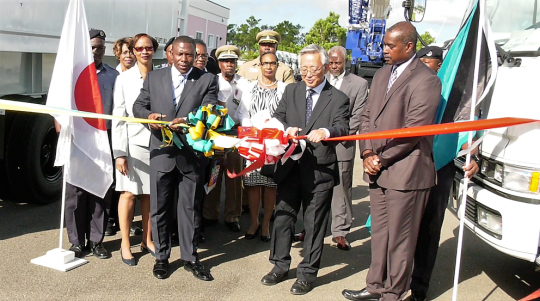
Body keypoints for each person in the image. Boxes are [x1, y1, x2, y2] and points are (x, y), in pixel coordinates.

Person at [341, 22, 441, 301]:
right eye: (384, 44)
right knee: (381, 236)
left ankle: (393, 294)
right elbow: (366, 117)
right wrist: (367, 153)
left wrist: (381, 158)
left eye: (390, 45)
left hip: (407, 173)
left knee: (401, 241)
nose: (383, 50)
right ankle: (375, 286)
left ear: (409, 47)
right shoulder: (383, 73)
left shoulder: (426, 79)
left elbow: (414, 131)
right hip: (377, 168)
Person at [261, 44, 349, 295]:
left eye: (313, 68)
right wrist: (284, 127)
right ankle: (279, 265)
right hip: (290, 165)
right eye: (304, 68)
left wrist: (326, 132)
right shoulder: (292, 90)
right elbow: (279, 115)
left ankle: (307, 274)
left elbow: (343, 128)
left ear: (324, 67)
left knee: (313, 224)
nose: (308, 74)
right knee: (282, 217)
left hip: (319, 170)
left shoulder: (339, 98)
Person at [133, 35, 218, 281]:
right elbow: (138, 106)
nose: (184, 59)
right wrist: (150, 116)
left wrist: (190, 121)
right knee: (160, 207)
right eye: (179, 54)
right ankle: (161, 257)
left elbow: (210, 111)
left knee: (190, 208)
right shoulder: (154, 77)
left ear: (195, 55)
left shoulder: (206, 80)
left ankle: (191, 257)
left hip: (191, 154)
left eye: (189, 55)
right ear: (170, 53)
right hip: (162, 151)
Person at [410, 45, 479, 301]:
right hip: (407, 165)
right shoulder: (409, 86)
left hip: (440, 167)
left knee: (429, 229)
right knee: (402, 227)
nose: (430, 72)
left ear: (442, 67)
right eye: (423, 65)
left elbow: (467, 130)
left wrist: (473, 153)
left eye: (435, 67)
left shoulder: (455, 94)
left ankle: (419, 286)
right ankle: (393, 280)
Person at [63, 29, 118, 259]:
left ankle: (96, 241)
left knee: (100, 190)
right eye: (93, 47)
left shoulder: (113, 76)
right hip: (78, 138)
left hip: (102, 140)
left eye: (101, 48)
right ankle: (76, 242)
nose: (97, 52)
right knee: (75, 193)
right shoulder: (72, 74)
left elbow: (117, 110)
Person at [112, 33, 158, 266]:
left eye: (148, 47)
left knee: (150, 194)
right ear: (134, 51)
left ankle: (146, 239)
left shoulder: (162, 76)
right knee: (128, 193)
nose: (144, 52)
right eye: (139, 48)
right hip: (132, 144)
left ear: (154, 50)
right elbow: (118, 117)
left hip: (159, 143)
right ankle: (125, 243)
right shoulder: (124, 79)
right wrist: (119, 153)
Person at [236, 52, 287, 242]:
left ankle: (266, 223)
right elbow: (243, 112)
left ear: (277, 66)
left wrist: (272, 129)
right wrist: (253, 128)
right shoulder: (250, 88)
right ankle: (254, 222)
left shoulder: (284, 89)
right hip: (254, 141)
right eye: (265, 63)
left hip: (274, 143)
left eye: (272, 63)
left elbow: (286, 114)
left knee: (270, 184)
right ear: (259, 65)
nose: (268, 67)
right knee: (252, 183)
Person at [325, 45, 369, 251]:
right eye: (331, 63)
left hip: (342, 143)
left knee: (341, 188)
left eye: (338, 63)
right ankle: (311, 227)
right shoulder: (319, 78)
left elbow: (358, 116)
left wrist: (334, 135)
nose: (334, 66)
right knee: (314, 188)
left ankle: (341, 231)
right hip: (318, 143)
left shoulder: (359, 84)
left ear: (345, 62)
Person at [202, 45, 247, 233]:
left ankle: (232, 215)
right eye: (225, 61)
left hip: (236, 132)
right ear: (219, 63)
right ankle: (210, 214)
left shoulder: (244, 83)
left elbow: (246, 109)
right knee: (214, 174)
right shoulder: (212, 81)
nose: (229, 64)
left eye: (232, 61)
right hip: (216, 133)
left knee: (235, 176)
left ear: (236, 63)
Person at [106, 37, 137, 237]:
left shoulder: (143, 75)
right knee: (112, 179)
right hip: (111, 132)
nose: (128, 55)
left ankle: (128, 220)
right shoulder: (112, 75)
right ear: (118, 54)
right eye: (124, 52)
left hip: (133, 137)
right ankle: (110, 219)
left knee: (130, 181)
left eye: (131, 51)